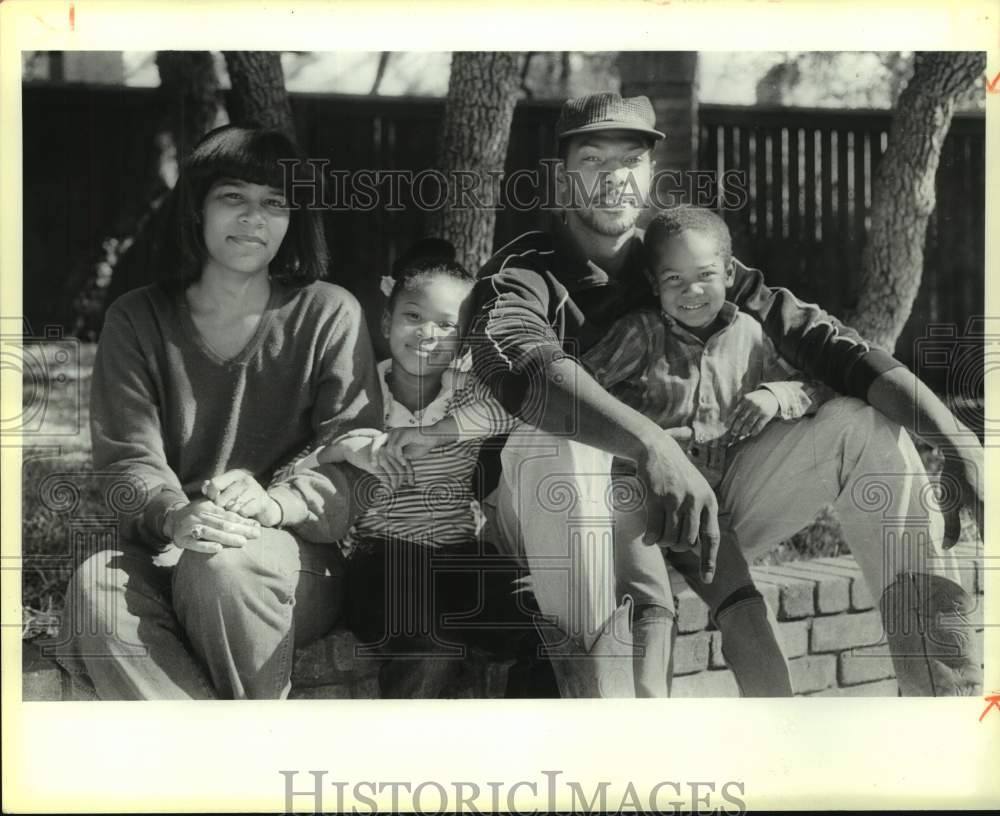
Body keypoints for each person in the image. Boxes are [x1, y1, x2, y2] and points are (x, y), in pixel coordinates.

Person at [467, 91, 982, 697]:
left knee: (861, 424)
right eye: (592, 160)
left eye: (628, 160)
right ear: (561, 176)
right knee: (557, 439)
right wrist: (651, 445)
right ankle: (608, 727)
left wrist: (955, 439)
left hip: (694, 504)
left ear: (650, 172)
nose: (612, 178)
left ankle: (944, 700)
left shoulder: (687, 265)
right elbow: (529, 377)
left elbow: (834, 348)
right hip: (549, 525)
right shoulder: (520, 275)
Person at [52, 125, 383, 699]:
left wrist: (276, 503)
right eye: (233, 197)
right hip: (170, 544)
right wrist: (175, 515)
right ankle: (219, 764)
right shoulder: (136, 319)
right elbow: (125, 461)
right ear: (197, 210)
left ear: (293, 220)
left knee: (222, 566)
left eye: (274, 203)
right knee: (93, 588)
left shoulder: (330, 313)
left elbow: (357, 462)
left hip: (287, 560)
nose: (253, 218)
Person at [583, 205, 838, 696]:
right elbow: (579, 391)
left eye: (704, 275)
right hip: (633, 499)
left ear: (728, 271)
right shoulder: (639, 333)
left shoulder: (749, 335)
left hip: (705, 513)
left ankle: (782, 733)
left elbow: (817, 389)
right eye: (673, 278)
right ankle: (645, 736)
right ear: (653, 283)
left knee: (744, 603)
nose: (691, 290)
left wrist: (775, 395)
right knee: (652, 607)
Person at [284, 240, 554, 698]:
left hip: (459, 553)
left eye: (447, 325)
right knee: (428, 648)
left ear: (467, 338)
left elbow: (520, 407)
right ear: (387, 322)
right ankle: (406, 760)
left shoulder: (467, 394)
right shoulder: (361, 392)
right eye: (413, 316)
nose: (428, 334)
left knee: (544, 626)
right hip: (381, 559)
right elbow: (298, 467)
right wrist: (343, 451)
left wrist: (437, 432)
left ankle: (534, 749)